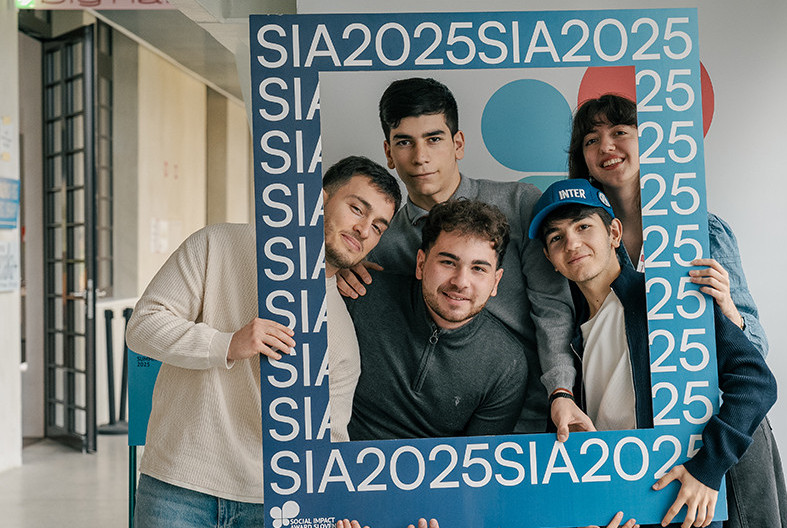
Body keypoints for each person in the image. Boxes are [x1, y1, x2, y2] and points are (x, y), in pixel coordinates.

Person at [125, 156, 401, 528]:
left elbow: (329, 443)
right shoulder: (219, 244)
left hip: (269, 503)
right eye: (357, 209)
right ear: (318, 199)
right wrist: (228, 344)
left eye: (379, 226)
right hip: (178, 484)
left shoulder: (342, 334)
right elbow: (142, 326)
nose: (365, 229)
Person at [567, 94, 787, 527]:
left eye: (620, 132)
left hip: (720, 434)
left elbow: (755, 356)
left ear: (647, 142)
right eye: (591, 140)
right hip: (641, 446)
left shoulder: (700, 228)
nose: (606, 146)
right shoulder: (583, 242)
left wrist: (728, 309)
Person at [337, 77, 586, 434]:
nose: (420, 157)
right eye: (404, 142)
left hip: (542, 411)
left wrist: (561, 390)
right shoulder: (379, 239)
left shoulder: (520, 204)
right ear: (389, 153)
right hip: (443, 424)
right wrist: (339, 268)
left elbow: (552, 308)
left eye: (434, 139)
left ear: (458, 144)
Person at [530, 179, 777, 528]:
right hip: (629, 510)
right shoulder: (568, 343)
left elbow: (756, 382)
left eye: (583, 227)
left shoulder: (666, 300)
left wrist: (707, 468)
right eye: (556, 238)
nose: (572, 243)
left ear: (614, 233)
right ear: (549, 259)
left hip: (689, 508)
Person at [346, 199, 528, 440]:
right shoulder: (359, 294)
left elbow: (477, 459)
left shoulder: (507, 365)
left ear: (495, 282)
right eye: (448, 262)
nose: (460, 282)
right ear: (421, 264)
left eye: (478, 269)